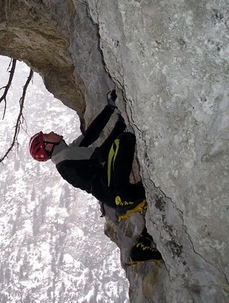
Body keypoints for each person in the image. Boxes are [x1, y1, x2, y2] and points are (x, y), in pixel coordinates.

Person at [29, 90, 162, 263]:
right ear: (47, 146)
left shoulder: (64, 154)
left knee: (145, 194)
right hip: (114, 190)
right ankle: (139, 238)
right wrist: (120, 125)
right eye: (47, 135)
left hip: (112, 194)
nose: (52, 132)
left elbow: (90, 134)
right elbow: (101, 154)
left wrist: (109, 108)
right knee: (124, 140)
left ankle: (140, 249)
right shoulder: (63, 157)